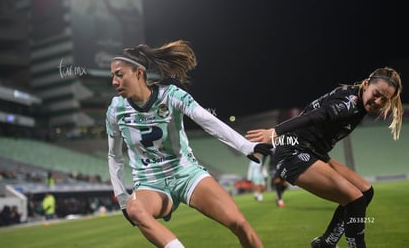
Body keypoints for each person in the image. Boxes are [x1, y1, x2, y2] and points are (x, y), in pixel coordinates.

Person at [106, 40, 273, 248]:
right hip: (151, 184)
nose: (114, 81)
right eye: (112, 75)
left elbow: (208, 121)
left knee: (239, 223)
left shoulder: (171, 95)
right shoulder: (115, 109)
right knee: (135, 209)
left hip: (187, 175)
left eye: (119, 74)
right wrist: (122, 197)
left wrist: (246, 146)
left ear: (139, 73)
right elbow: (114, 156)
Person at [246, 67, 403, 248]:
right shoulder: (349, 104)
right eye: (376, 94)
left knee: (366, 193)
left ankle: (326, 243)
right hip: (293, 152)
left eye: (385, 99)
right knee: (356, 200)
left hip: (315, 152)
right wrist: (276, 131)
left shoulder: (358, 99)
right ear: (366, 84)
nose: (378, 101)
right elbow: (316, 116)